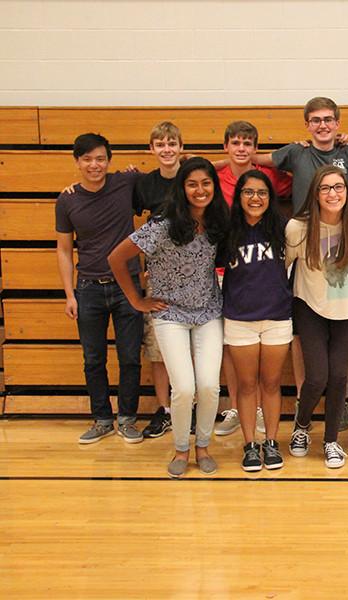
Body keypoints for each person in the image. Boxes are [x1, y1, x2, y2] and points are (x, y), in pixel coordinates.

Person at [108, 157, 230, 478]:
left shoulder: (218, 221)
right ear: (182, 187)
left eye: (206, 183)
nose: (200, 190)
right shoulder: (162, 225)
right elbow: (116, 258)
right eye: (192, 184)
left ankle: (202, 446)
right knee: (184, 388)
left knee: (208, 385)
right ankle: (180, 448)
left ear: (214, 187)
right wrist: (137, 300)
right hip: (169, 313)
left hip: (207, 311)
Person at [56, 133, 144, 444]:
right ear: (77, 162)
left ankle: (128, 419)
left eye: (100, 158)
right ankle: (102, 419)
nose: (95, 165)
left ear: (109, 160)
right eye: (87, 159)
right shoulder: (67, 199)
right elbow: (65, 250)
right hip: (88, 288)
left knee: (130, 356)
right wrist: (70, 294)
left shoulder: (126, 182)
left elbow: (169, 176)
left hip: (127, 286)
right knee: (93, 359)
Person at [214, 120, 292, 438]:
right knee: (244, 379)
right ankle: (243, 425)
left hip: (275, 311)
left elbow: (303, 174)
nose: (255, 197)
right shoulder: (224, 230)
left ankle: (270, 438)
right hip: (236, 302)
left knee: (270, 382)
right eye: (248, 192)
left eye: (261, 192)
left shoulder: (285, 228)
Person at [285, 166, 348, 468]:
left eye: (339, 187)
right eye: (326, 188)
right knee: (317, 376)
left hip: (347, 309)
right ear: (316, 194)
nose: (333, 194)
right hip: (310, 308)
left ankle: (331, 440)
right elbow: (283, 269)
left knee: (339, 377)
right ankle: (301, 425)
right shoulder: (298, 227)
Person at [134, 121, 182, 439]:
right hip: (159, 274)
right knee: (157, 347)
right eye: (160, 144)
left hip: (195, 273)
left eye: (171, 143)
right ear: (152, 149)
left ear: (181, 147)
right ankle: (165, 409)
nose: (166, 149)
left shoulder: (193, 176)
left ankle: (186, 407)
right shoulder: (144, 184)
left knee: (193, 342)